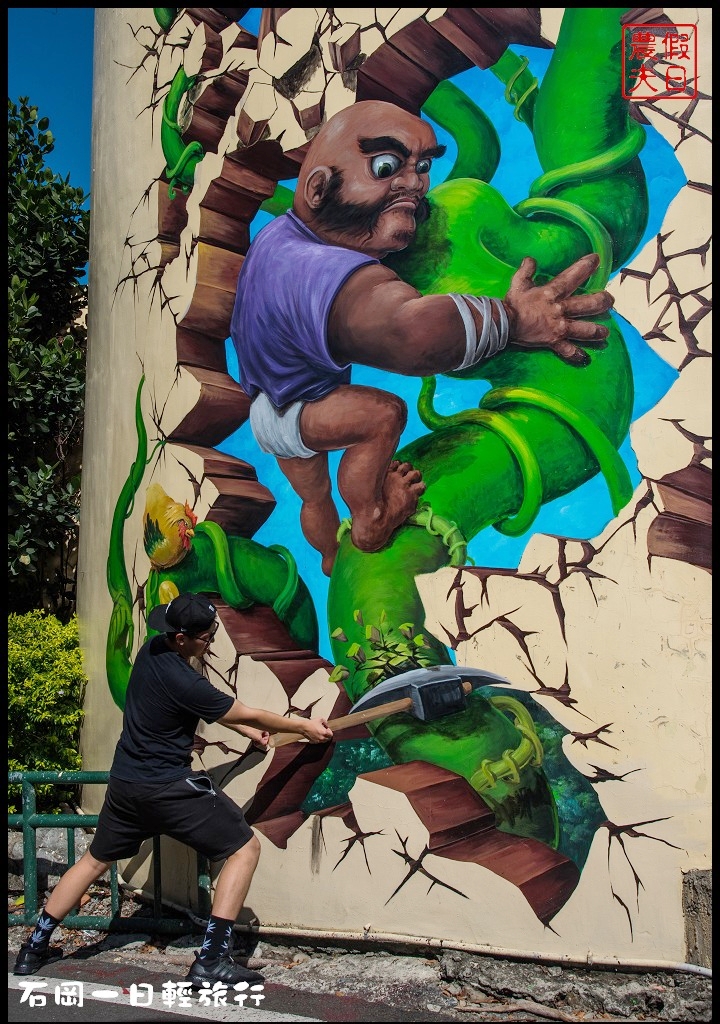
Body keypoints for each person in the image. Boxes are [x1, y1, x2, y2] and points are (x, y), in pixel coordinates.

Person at [230, 100, 614, 576]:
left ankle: (330, 555)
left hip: (268, 406)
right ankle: (370, 519)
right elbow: (408, 332)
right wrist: (513, 320)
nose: (414, 183)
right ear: (318, 188)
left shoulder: (277, 240)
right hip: (305, 408)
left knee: (312, 495)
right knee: (382, 415)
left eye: (423, 166)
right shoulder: (313, 269)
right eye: (386, 166)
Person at [13, 592, 333, 986]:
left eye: (213, 630)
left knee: (95, 860)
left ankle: (33, 948)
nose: (211, 640)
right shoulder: (183, 679)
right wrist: (303, 727)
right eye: (205, 636)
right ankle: (212, 959)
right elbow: (236, 708)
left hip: (126, 784)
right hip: (166, 787)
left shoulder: (153, 652)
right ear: (181, 637)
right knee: (243, 848)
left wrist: (249, 732)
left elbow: (214, 710)